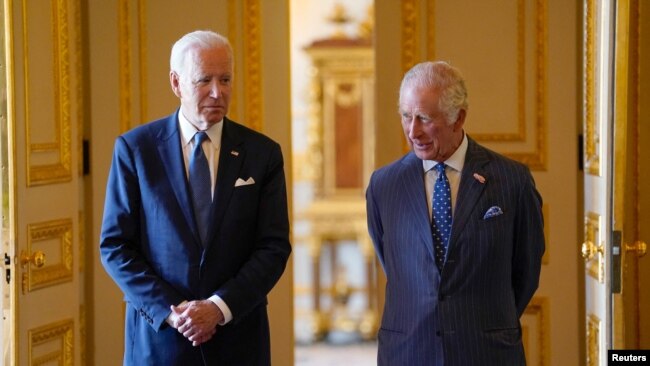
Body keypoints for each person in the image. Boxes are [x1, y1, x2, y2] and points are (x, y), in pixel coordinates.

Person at [100, 30, 291, 365]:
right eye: (204, 80)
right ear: (176, 83)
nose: (218, 92)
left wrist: (218, 308)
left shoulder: (263, 154)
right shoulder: (135, 150)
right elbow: (116, 247)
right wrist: (174, 314)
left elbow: (273, 246)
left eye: (226, 79)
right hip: (160, 342)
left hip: (238, 341)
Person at [366, 61, 545, 365]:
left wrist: (480, 323)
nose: (413, 131)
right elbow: (394, 265)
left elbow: (525, 271)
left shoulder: (512, 180)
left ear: (458, 117)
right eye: (406, 116)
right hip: (408, 350)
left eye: (424, 118)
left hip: (486, 351)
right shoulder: (384, 185)